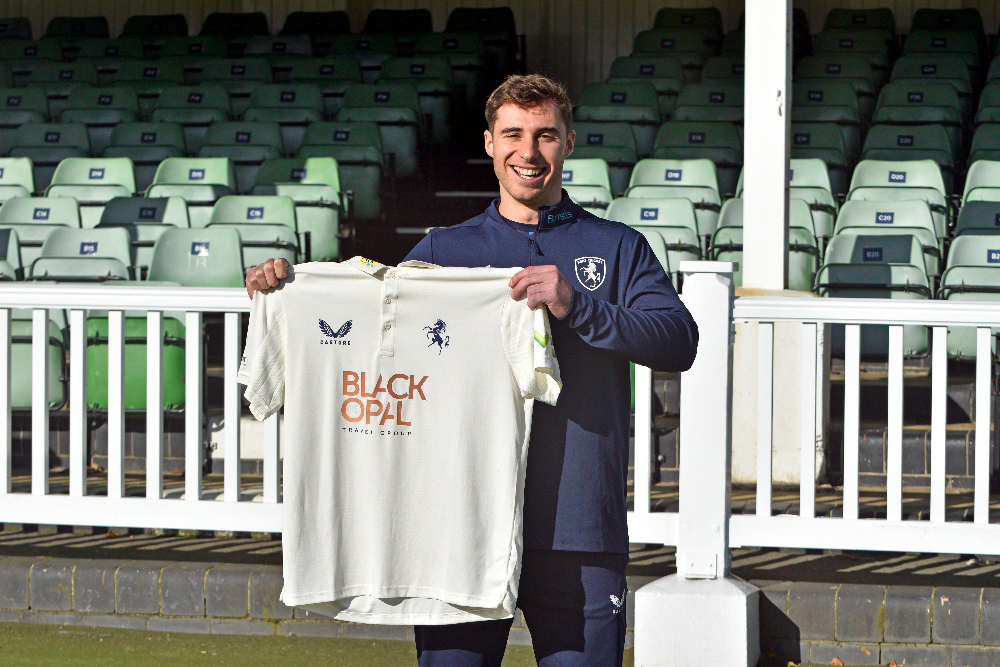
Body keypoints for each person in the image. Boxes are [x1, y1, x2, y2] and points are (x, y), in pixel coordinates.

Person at [245, 74, 698, 667]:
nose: (528, 152)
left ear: (569, 142)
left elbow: (679, 342)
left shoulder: (617, 248)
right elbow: (374, 333)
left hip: (577, 526)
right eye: (513, 134)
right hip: (456, 529)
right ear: (489, 142)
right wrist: (290, 289)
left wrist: (578, 306)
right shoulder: (443, 252)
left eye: (545, 135)